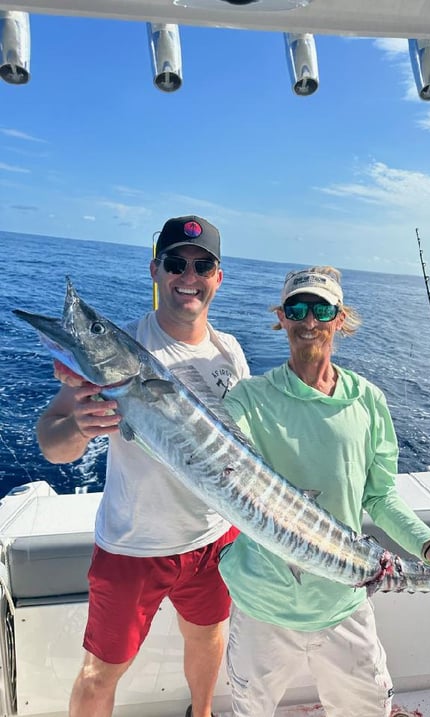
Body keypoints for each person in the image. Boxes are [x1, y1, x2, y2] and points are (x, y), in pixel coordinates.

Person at [218, 265, 430, 717]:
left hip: (344, 598)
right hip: (261, 604)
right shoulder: (248, 399)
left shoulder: (368, 401)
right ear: (280, 317)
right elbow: (216, 458)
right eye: (296, 308)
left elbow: (380, 498)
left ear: (340, 318)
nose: (309, 321)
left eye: (322, 309)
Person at [36, 215, 250, 717]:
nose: (188, 276)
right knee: (98, 674)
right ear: (155, 270)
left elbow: (243, 448)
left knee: (209, 635)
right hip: (135, 545)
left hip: (213, 538)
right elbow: (52, 443)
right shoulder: (120, 350)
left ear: (218, 277)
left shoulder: (230, 352)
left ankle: (201, 714)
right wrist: (80, 429)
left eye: (202, 266)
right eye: (176, 263)